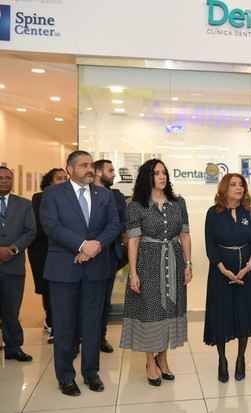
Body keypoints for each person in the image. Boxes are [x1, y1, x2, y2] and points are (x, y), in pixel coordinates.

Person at [40, 151, 121, 396]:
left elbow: (114, 226)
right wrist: (81, 245)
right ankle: (65, 376)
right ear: (70, 168)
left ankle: (91, 372)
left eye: (91, 165)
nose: (90, 170)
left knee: (92, 324)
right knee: (64, 326)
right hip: (64, 270)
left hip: (95, 269)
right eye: (84, 165)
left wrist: (93, 246)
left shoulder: (104, 194)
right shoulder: (53, 194)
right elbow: (51, 226)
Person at [120, 159, 193, 387]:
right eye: (156, 173)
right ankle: (150, 360)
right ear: (147, 177)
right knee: (151, 312)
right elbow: (133, 241)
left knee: (169, 311)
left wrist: (188, 264)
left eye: (164, 172)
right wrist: (133, 273)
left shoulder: (178, 203)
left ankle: (163, 357)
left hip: (174, 261)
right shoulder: (137, 206)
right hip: (147, 264)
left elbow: (185, 236)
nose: (162, 176)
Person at [204, 173, 251, 383]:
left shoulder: (250, 213)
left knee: (243, 315)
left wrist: (247, 267)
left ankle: (240, 358)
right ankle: (222, 360)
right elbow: (210, 244)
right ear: (224, 189)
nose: (238, 188)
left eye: (241, 185)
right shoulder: (213, 213)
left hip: (247, 274)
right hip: (221, 274)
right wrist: (223, 269)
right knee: (221, 316)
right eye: (233, 185)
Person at [0, 166, 37, 362]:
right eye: (0, 177)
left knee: (11, 309)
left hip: (13, 265)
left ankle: (13, 347)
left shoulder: (24, 204)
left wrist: (13, 249)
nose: (4, 181)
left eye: (8, 178)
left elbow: (31, 231)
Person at [28, 168, 68, 344]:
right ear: (49, 182)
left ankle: (59, 323)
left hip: (65, 249)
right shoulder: (39, 198)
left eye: (65, 178)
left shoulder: (70, 197)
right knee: (48, 288)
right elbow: (41, 225)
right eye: (59, 178)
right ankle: (52, 323)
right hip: (43, 250)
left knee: (61, 288)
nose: (63, 181)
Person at [93, 159, 127, 353]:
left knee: (104, 300)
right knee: (86, 300)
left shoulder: (117, 196)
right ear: (98, 172)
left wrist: (101, 239)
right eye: (110, 170)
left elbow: (123, 223)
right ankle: (79, 338)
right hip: (84, 254)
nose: (114, 174)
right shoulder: (85, 193)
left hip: (109, 254)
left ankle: (100, 337)